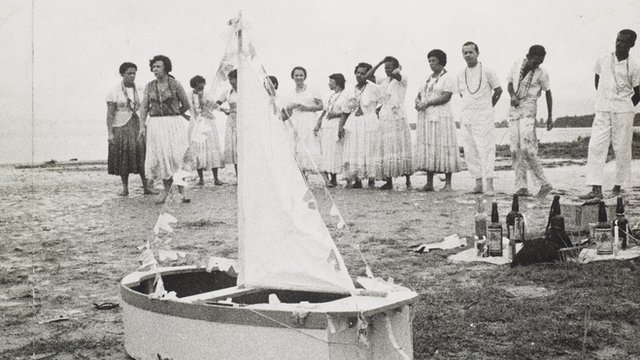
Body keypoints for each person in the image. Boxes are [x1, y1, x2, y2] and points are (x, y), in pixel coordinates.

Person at [581, 29, 640, 200]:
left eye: (623, 41)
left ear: (632, 44)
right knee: (595, 146)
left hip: (624, 111)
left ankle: (618, 186)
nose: (619, 43)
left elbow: (638, 92)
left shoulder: (635, 65)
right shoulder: (603, 60)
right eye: (618, 40)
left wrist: (625, 106)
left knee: (621, 148)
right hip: (602, 109)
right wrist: (605, 100)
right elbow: (598, 82)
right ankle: (595, 188)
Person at [139, 55, 192, 203]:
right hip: (156, 124)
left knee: (177, 157)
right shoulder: (150, 86)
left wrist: (176, 113)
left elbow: (186, 104)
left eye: (158, 66)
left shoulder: (175, 84)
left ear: (166, 68)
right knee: (162, 158)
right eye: (153, 67)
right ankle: (167, 192)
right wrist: (142, 126)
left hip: (173, 124)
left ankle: (182, 192)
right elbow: (144, 107)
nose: (155, 69)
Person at [506, 45, 554, 199]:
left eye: (540, 62)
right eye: (535, 62)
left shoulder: (542, 73)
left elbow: (548, 93)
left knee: (528, 148)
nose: (537, 65)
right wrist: (512, 95)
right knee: (515, 149)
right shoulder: (517, 64)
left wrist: (549, 116)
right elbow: (509, 83)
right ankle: (521, 186)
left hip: (529, 110)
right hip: (514, 109)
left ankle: (544, 184)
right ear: (528, 56)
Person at [457, 42, 503, 194]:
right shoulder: (460, 74)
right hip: (467, 117)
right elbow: (464, 95)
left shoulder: (488, 71)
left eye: (471, 52)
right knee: (470, 151)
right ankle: (478, 184)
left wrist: (488, 107)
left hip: (483, 118)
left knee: (486, 150)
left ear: (477, 53)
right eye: (465, 53)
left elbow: (498, 90)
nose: (468, 55)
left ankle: (490, 185)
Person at [414, 49, 461, 191]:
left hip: (441, 116)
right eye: (429, 61)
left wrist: (427, 103)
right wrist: (417, 101)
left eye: (433, 61)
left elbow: (446, 97)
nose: (431, 64)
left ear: (440, 61)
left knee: (444, 146)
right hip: (427, 116)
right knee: (429, 147)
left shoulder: (448, 77)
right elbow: (420, 94)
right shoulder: (427, 79)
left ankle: (448, 183)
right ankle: (429, 183)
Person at [106, 62, 156, 196]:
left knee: (142, 154)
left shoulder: (140, 89)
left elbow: (147, 107)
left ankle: (146, 187)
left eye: (134, 73)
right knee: (124, 157)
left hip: (138, 125)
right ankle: (125, 188)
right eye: (129, 73)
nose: (132, 76)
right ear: (122, 74)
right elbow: (110, 114)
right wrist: (110, 132)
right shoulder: (114, 91)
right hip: (121, 127)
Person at [367, 56, 413, 190]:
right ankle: (389, 180)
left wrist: (397, 68)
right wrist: (380, 62)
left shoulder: (402, 78)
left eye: (389, 67)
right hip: (384, 114)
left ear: (396, 67)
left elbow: (396, 74)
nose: (387, 70)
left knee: (400, 145)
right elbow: (369, 77)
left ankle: (407, 179)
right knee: (386, 147)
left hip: (397, 114)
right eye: (385, 67)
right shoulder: (384, 81)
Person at [340, 62, 382, 188]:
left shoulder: (375, 88)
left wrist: (376, 112)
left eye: (363, 73)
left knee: (369, 148)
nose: (360, 75)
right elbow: (345, 110)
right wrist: (340, 126)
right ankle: (357, 179)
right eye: (358, 72)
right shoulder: (349, 90)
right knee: (355, 149)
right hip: (354, 122)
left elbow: (385, 102)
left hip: (369, 121)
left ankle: (371, 179)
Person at [284, 66, 324, 176]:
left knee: (310, 144)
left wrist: (307, 108)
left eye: (301, 75)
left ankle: (317, 174)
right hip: (296, 121)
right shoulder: (290, 93)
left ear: (305, 76)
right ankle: (301, 174)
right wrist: (291, 106)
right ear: (292, 77)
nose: (299, 77)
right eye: (296, 75)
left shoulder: (312, 90)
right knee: (297, 145)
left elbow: (321, 106)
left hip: (309, 120)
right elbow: (287, 110)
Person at [189, 75, 224, 186]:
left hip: (208, 124)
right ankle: (201, 179)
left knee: (212, 148)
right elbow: (185, 107)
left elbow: (214, 106)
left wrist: (224, 110)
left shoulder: (207, 94)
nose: (201, 89)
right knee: (198, 150)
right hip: (195, 124)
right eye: (199, 87)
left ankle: (216, 178)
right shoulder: (188, 95)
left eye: (203, 86)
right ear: (194, 86)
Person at [314, 73, 347, 187]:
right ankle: (329, 177)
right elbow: (325, 110)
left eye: (331, 81)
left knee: (335, 150)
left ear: (337, 82)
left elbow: (346, 111)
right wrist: (318, 123)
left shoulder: (344, 96)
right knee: (327, 151)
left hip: (336, 125)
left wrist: (336, 115)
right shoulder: (332, 95)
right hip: (326, 126)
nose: (329, 83)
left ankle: (334, 177)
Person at [214, 69, 239, 176]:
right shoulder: (227, 92)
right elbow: (215, 104)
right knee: (235, 148)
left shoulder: (248, 91)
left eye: (232, 79)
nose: (231, 82)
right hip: (232, 120)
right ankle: (238, 175)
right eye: (229, 80)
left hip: (244, 121)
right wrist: (224, 110)